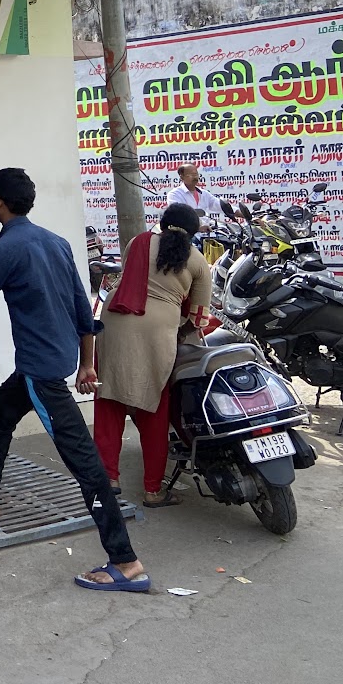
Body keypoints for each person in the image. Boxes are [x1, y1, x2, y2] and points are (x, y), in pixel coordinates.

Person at [0, 168, 151, 594]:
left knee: (87, 467)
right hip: (49, 364)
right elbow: (83, 310)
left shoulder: (7, 249)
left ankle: (125, 562)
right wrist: (87, 364)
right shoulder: (56, 243)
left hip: (42, 374)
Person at [93, 203, 214, 507]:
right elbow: (200, 317)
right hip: (158, 331)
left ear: (163, 222)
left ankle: (108, 479)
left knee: (109, 401)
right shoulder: (198, 261)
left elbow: (131, 279)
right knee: (154, 409)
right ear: (193, 232)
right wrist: (180, 332)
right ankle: (152, 490)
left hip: (115, 319)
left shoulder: (138, 242)